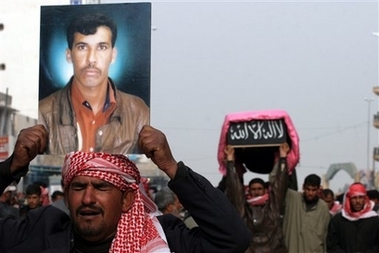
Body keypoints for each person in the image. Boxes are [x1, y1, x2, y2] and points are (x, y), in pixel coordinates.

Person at [0, 124, 251, 253]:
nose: (88, 198)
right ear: (66, 195)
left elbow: (233, 239)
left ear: (127, 199)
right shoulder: (39, 231)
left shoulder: (164, 238)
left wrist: (173, 168)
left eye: (100, 187)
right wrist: (10, 167)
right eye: (78, 187)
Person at [38, 12, 149, 155]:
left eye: (101, 47)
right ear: (69, 55)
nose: (91, 59)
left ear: (113, 55)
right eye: (82, 47)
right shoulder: (43, 113)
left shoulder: (139, 113)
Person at [224, 143, 290, 253]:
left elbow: (280, 184)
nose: (257, 192)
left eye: (259, 189)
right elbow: (234, 188)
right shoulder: (243, 209)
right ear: (249, 191)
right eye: (253, 189)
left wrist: (283, 157)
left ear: (265, 190)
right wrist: (230, 160)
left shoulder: (273, 206)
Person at [282, 173, 330, 252]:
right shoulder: (293, 199)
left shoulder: (323, 208)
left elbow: (325, 236)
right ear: (303, 187)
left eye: (313, 190)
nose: (310, 193)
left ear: (318, 189)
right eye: (308, 189)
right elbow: (278, 185)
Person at [326, 182, 379, 252]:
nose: (357, 201)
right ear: (349, 199)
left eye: (360, 197)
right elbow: (332, 245)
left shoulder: (374, 220)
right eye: (354, 198)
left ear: (365, 199)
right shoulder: (338, 220)